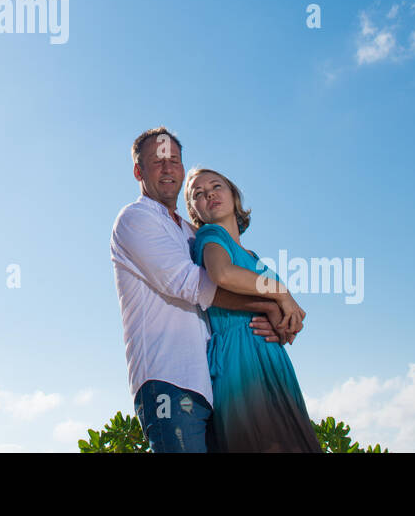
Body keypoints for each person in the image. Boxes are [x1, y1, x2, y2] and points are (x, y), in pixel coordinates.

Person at [111, 127, 291, 453]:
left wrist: (280, 319)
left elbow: (234, 281)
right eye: (157, 162)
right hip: (167, 381)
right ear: (138, 171)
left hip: (212, 385)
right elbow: (190, 284)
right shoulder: (135, 219)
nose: (168, 169)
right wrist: (269, 302)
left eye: (175, 161)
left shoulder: (192, 232)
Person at [186, 166, 321, 452]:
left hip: (272, 360)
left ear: (234, 196)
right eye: (198, 193)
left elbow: (287, 320)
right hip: (240, 359)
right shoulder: (210, 236)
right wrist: (281, 292)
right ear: (194, 211)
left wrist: (286, 326)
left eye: (216, 186)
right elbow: (222, 274)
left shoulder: (254, 258)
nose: (209, 194)